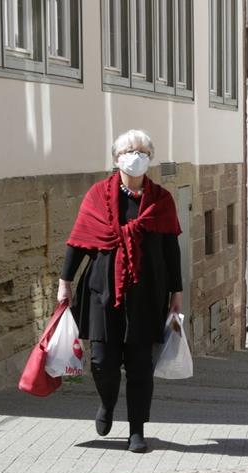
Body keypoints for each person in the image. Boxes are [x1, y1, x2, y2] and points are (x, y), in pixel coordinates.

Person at [57, 130, 182, 453]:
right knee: (102, 362)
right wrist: (65, 282)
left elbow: (171, 250)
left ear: (150, 159)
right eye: (128, 150)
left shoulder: (162, 201)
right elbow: (79, 242)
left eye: (142, 151)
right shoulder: (97, 196)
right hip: (102, 291)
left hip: (147, 293)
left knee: (141, 366)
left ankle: (137, 430)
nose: (135, 156)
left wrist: (176, 292)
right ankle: (107, 402)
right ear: (116, 159)